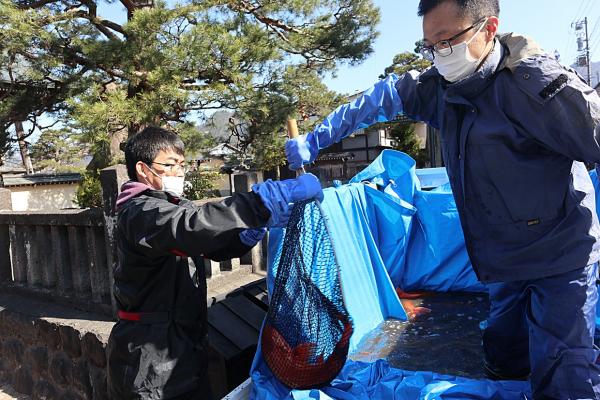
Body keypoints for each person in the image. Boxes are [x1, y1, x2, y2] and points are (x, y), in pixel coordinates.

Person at [285, 0, 600, 398]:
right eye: (430, 45)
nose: (439, 54)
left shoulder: (539, 85)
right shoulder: (437, 88)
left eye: (447, 40)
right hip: (502, 251)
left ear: (488, 28)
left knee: (565, 368)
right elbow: (377, 100)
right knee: (505, 352)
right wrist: (316, 138)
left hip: (562, 248)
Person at [107, 126, 323, 399]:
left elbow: (211, 245)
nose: (179, 173)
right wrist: (260, 202)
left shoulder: (173, 205)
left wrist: (250, 231)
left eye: (183, 165)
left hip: (184, 346)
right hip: (148, 357)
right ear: (143, 168)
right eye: (170, 165)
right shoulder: (139, 212)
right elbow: (191, 227)